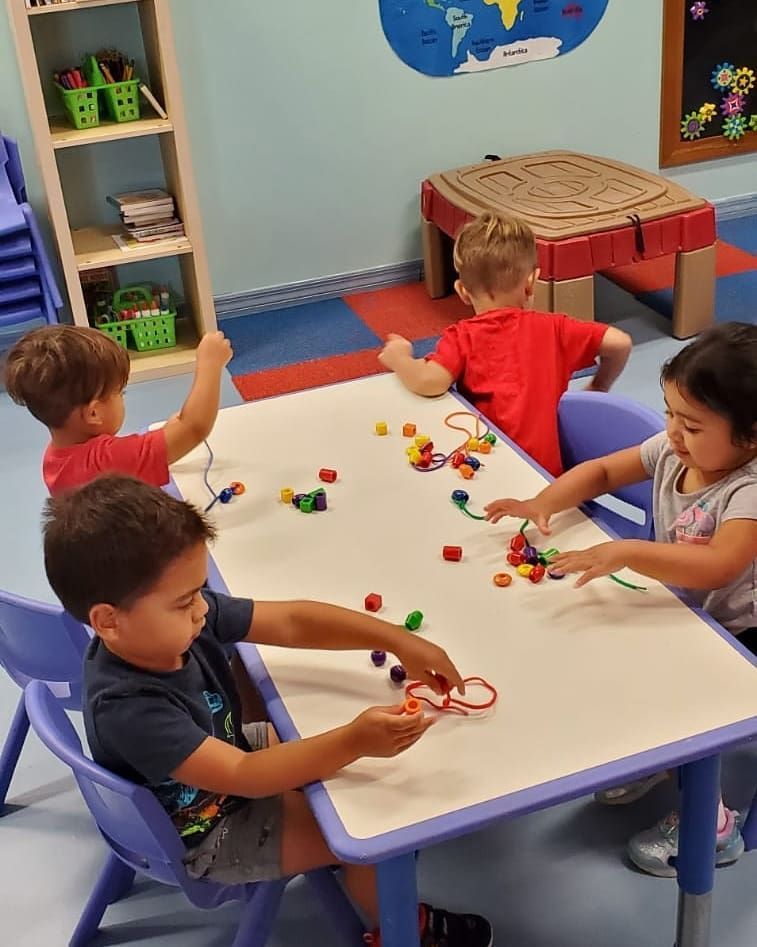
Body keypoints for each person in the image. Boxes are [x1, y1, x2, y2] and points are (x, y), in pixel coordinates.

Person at [42, 474, 493, 947]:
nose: (201, 610)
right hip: (210, 829)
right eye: (184, 601)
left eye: (199, 592)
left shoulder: (174, 623)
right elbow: (244, 774)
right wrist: (354, 741)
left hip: (223, 759)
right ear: (108, 621)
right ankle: (408, 931)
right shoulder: (130, 707)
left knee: (344, 762)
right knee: (376, 834)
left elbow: (292, 621)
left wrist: (396, 639)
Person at [484, 321, 757, 876]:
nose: (675, 433)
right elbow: (606, 469)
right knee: (622, 665)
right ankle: (662, 759)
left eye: (693, 424)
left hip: (739, 636)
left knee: (684, 702)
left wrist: (632, 552)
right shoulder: (675, 451)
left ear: (750, 437)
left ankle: (715, 826)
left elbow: (721, 564)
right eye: (669, 413)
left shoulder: (747, 488)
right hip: (684, 610)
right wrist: (545, 502)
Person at [378, 212, 632, 475]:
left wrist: (399, 358)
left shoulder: (464, 336)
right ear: (532, 282)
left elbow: (428, 381)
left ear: (462, 292)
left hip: (489, 472)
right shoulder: (556, 328)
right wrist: (599, 385)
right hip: (548, 481)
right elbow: (620, 342)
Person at [3, 325, 232, 495]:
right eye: (120, 393)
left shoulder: (57, 457)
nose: (122, 399)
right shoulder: (103, 462)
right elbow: (193, 427)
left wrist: (169, 433)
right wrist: (210, 365)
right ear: (94, 413)